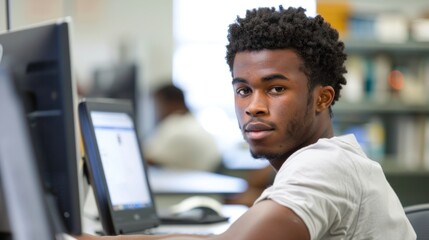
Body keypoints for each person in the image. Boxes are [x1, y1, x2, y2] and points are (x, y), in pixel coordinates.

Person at [77, 6, 416, 239]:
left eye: (276, 89)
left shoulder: (327, 164)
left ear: (322, 98)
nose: (253, 107)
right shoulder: (315, 163)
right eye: (243, 89)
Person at [143, 83, 222, 172]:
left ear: (171, 103)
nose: (155, 111)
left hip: (190, 181)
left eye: (157, 105)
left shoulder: (175, 126)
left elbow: (144, 159)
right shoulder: (193, 123)